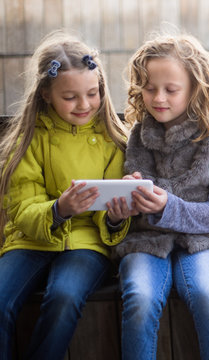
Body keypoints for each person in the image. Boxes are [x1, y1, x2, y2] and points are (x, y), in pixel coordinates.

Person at [0, 31, 131, 360]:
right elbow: (22, 206)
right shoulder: (29, 139)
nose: (84, 105)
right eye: (70, 97)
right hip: (30, 241)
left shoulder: (113, 139)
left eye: (92, 93)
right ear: (46, 93)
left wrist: (116, 215)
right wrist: (59, 209)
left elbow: (109, 212)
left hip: (87, 244)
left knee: (64, 297)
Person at [116, 33, 209, 360]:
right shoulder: (139, 136)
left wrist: (168, 206)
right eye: (151, 88)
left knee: (207, 294)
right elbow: (134, 204)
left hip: (205, 239)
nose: (159, 98)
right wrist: (123, 206)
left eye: (171, 90)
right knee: (139, 298)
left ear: (195, 89)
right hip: (147, 241)